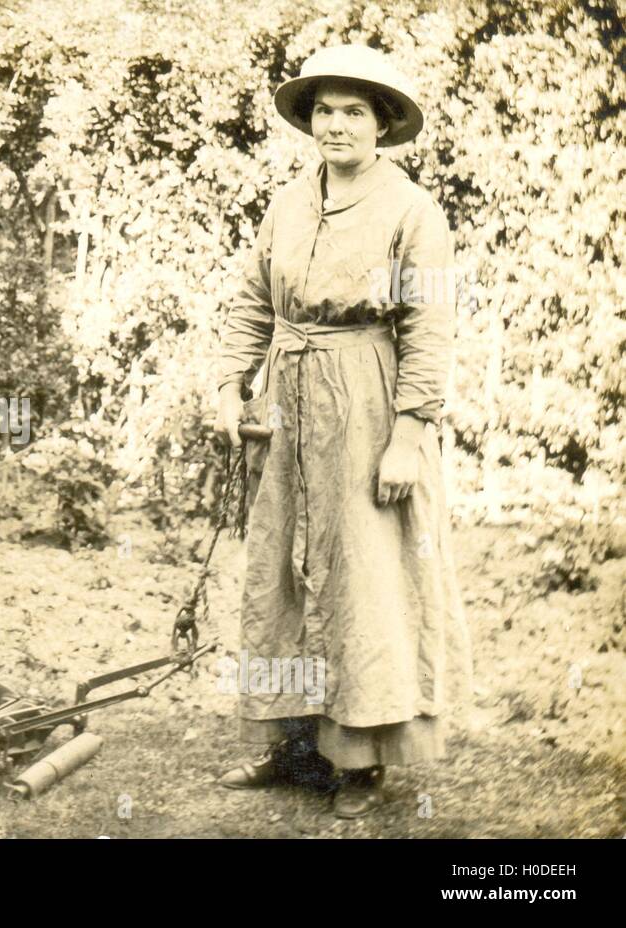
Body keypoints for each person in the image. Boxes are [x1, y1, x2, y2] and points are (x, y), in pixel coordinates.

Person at [213, 45, 472, 817]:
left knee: (365, 578)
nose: (336, 124)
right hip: (289, 408)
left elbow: (430, 330)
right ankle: (292, 744)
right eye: (324, 110)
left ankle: (359, 759)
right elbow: (253, 298)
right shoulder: (288, 202)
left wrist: (409, 434)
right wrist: (231, 380)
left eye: (354, 111)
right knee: (282, 573)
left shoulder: (413, 212)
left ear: (383, 124)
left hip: (368, 404)